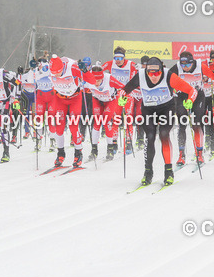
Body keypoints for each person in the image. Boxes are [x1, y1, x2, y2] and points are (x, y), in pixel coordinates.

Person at [122, 57, 197, 187]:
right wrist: (122, 97)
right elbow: (124, 90)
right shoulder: (140, 75)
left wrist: (190, 100)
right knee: (150, 137)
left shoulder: (169, 75)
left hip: (166, 109)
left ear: (161, 70)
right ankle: (148, 172)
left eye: (157, 72)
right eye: (150, 73)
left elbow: (192, 90)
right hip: (148, 110)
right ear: (146, 71)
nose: (154, 76)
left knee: (164, 134)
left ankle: (168, 172)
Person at [46, 56, 85, 168]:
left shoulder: (73, 67)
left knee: (73, 127)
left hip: (75, 99)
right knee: (59, 127)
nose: (56, 75)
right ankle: (60, 153)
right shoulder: (49, 68)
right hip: (60, 99)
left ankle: (78, 152)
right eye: (53, 73)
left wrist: (84, 71)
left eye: (57, 73)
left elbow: (90, 79)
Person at [81, 64, 123, 161]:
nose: (96, 83)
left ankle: (110, 148)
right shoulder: (88, 80)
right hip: (97, 100)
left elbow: (124, 88)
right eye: (94, 81)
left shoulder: (110, 79)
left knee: (106, 121)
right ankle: (94, 150)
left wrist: (123, 100)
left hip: (110, 101)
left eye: (99, 81)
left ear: (102, 78)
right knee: (96, 123)